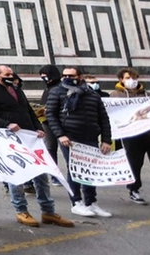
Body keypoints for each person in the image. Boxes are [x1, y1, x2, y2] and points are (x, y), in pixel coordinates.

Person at [0, 64, 73, 228]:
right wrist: (6, 124)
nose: (10, 76)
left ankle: (48, 211)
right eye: (7, 74)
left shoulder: (15, 88)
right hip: (11, 140)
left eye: (11, 73)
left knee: (41, 173)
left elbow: (27, 110)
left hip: (29, 137)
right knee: (16, 175)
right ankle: (21, 210)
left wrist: (38, 128)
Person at [44, 65, 113, 218]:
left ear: (80, 77)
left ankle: (91, 202)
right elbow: (51, 116)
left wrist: (106, 140)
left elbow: (103, 118)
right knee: (75, 169)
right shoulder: (57, 92)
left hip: (90, 137)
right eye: (65, 75)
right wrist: (60, 135)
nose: (67, 78)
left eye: (72, 75)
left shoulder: (92, 95)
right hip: (70, 138)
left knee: (90, 170)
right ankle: (76, 202)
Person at [113, 68, 150, 204]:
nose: (132, 81)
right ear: (121, 80)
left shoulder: (148, 95)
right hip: (132, 136)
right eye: (128, 78)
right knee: (135, 164)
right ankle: (134, 189)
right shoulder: (115, 96)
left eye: (134, 78)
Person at [37, 64, 63, 165]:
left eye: (45, 76)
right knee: (50, 147)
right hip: (46, 122)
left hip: (59, 121)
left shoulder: (60, 88)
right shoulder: (47, 88)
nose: (44, 78)